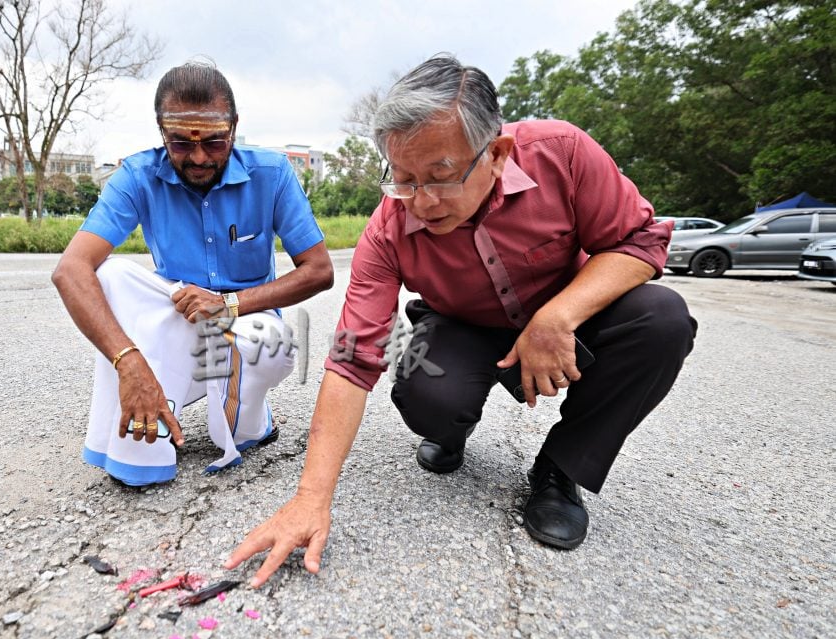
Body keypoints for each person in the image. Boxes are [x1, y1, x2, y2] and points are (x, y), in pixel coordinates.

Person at [226, 54, 697, 586]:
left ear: (496, 154)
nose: (420, 202)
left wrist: (557, 316)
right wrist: (310, 497)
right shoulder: (387, 231)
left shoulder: (561, 153)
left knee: (663, 320)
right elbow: (353, 358)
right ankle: (453, 430)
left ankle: (559, 472)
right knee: (430, 395)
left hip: (566, 310)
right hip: (462, 323)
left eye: (440, 177)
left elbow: (638, 241)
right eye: (402, 178)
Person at [52, 60, 333, 486]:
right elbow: (70, 269)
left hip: (249, 327)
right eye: (181, 143)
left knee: (264, 346)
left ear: (234, 127)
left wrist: (227, 303)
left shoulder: (272, 174)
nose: (199, 157)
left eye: (215, 142)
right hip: (177, 323)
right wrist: (128, 362)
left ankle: (251, 419)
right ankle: (144, 435)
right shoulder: (137, 175)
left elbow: (319, 271)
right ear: (161, 130)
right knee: (109, 276)